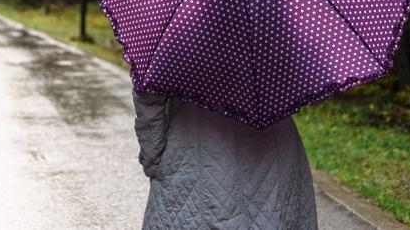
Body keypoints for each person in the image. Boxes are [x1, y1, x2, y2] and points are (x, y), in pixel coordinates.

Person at [132, 90, 318, 229]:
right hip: (275, 145)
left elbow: (148, 99)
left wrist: (153, 158)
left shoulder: (174, 42)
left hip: (195, 148)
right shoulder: (275, 39)